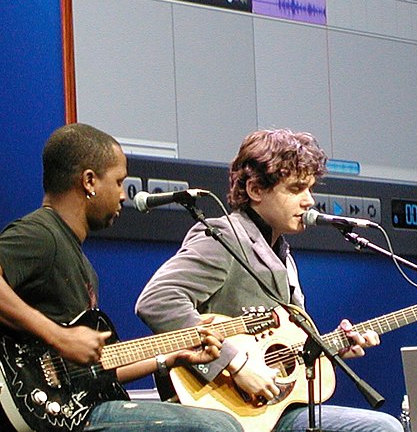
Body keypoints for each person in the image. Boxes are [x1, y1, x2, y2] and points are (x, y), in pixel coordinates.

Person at [135, 128, 402, 431]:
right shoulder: (223, 236)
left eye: (311, 189)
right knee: (382, 428)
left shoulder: (283, 255)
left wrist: (334, 346)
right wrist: (236, 364)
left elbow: (286, 346)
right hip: (228, 408)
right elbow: (158, 300)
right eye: (296, 189)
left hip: (273, 408)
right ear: (256, 190)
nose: (309, 201)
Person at [0, 123, 243, 432]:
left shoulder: (80, 262)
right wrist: (58, 336)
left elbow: (97, 369)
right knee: (219, 426)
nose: (122, 196)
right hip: (61, 414)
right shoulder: (40, 233)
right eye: (118, 182)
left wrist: (171, 356)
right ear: (89, 181)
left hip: (80, 407)